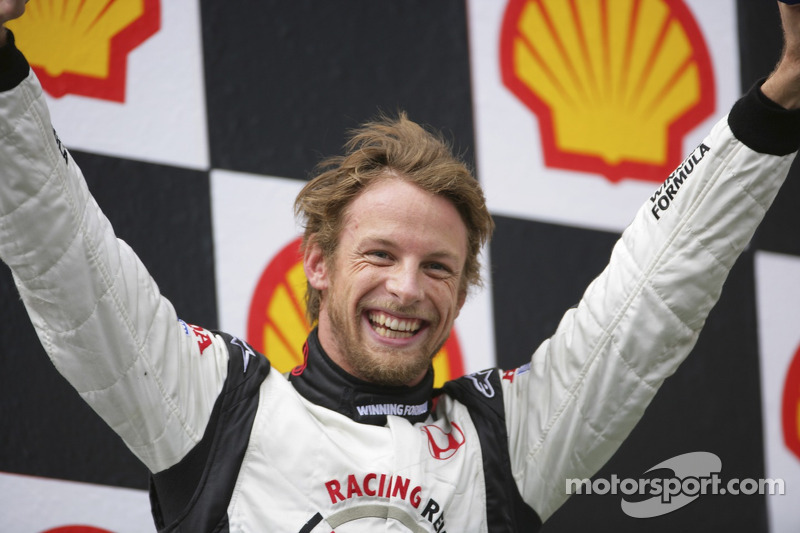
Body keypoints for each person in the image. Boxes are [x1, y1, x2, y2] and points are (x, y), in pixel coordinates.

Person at [2, 1, 800, 531]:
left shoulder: (502, 442)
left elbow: (653, 296)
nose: (407, 288)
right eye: (379, 254)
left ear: (462, 291)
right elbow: (69, 263)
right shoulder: (221, 412)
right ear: (317, 260)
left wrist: (779, 101)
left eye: (439, 267)